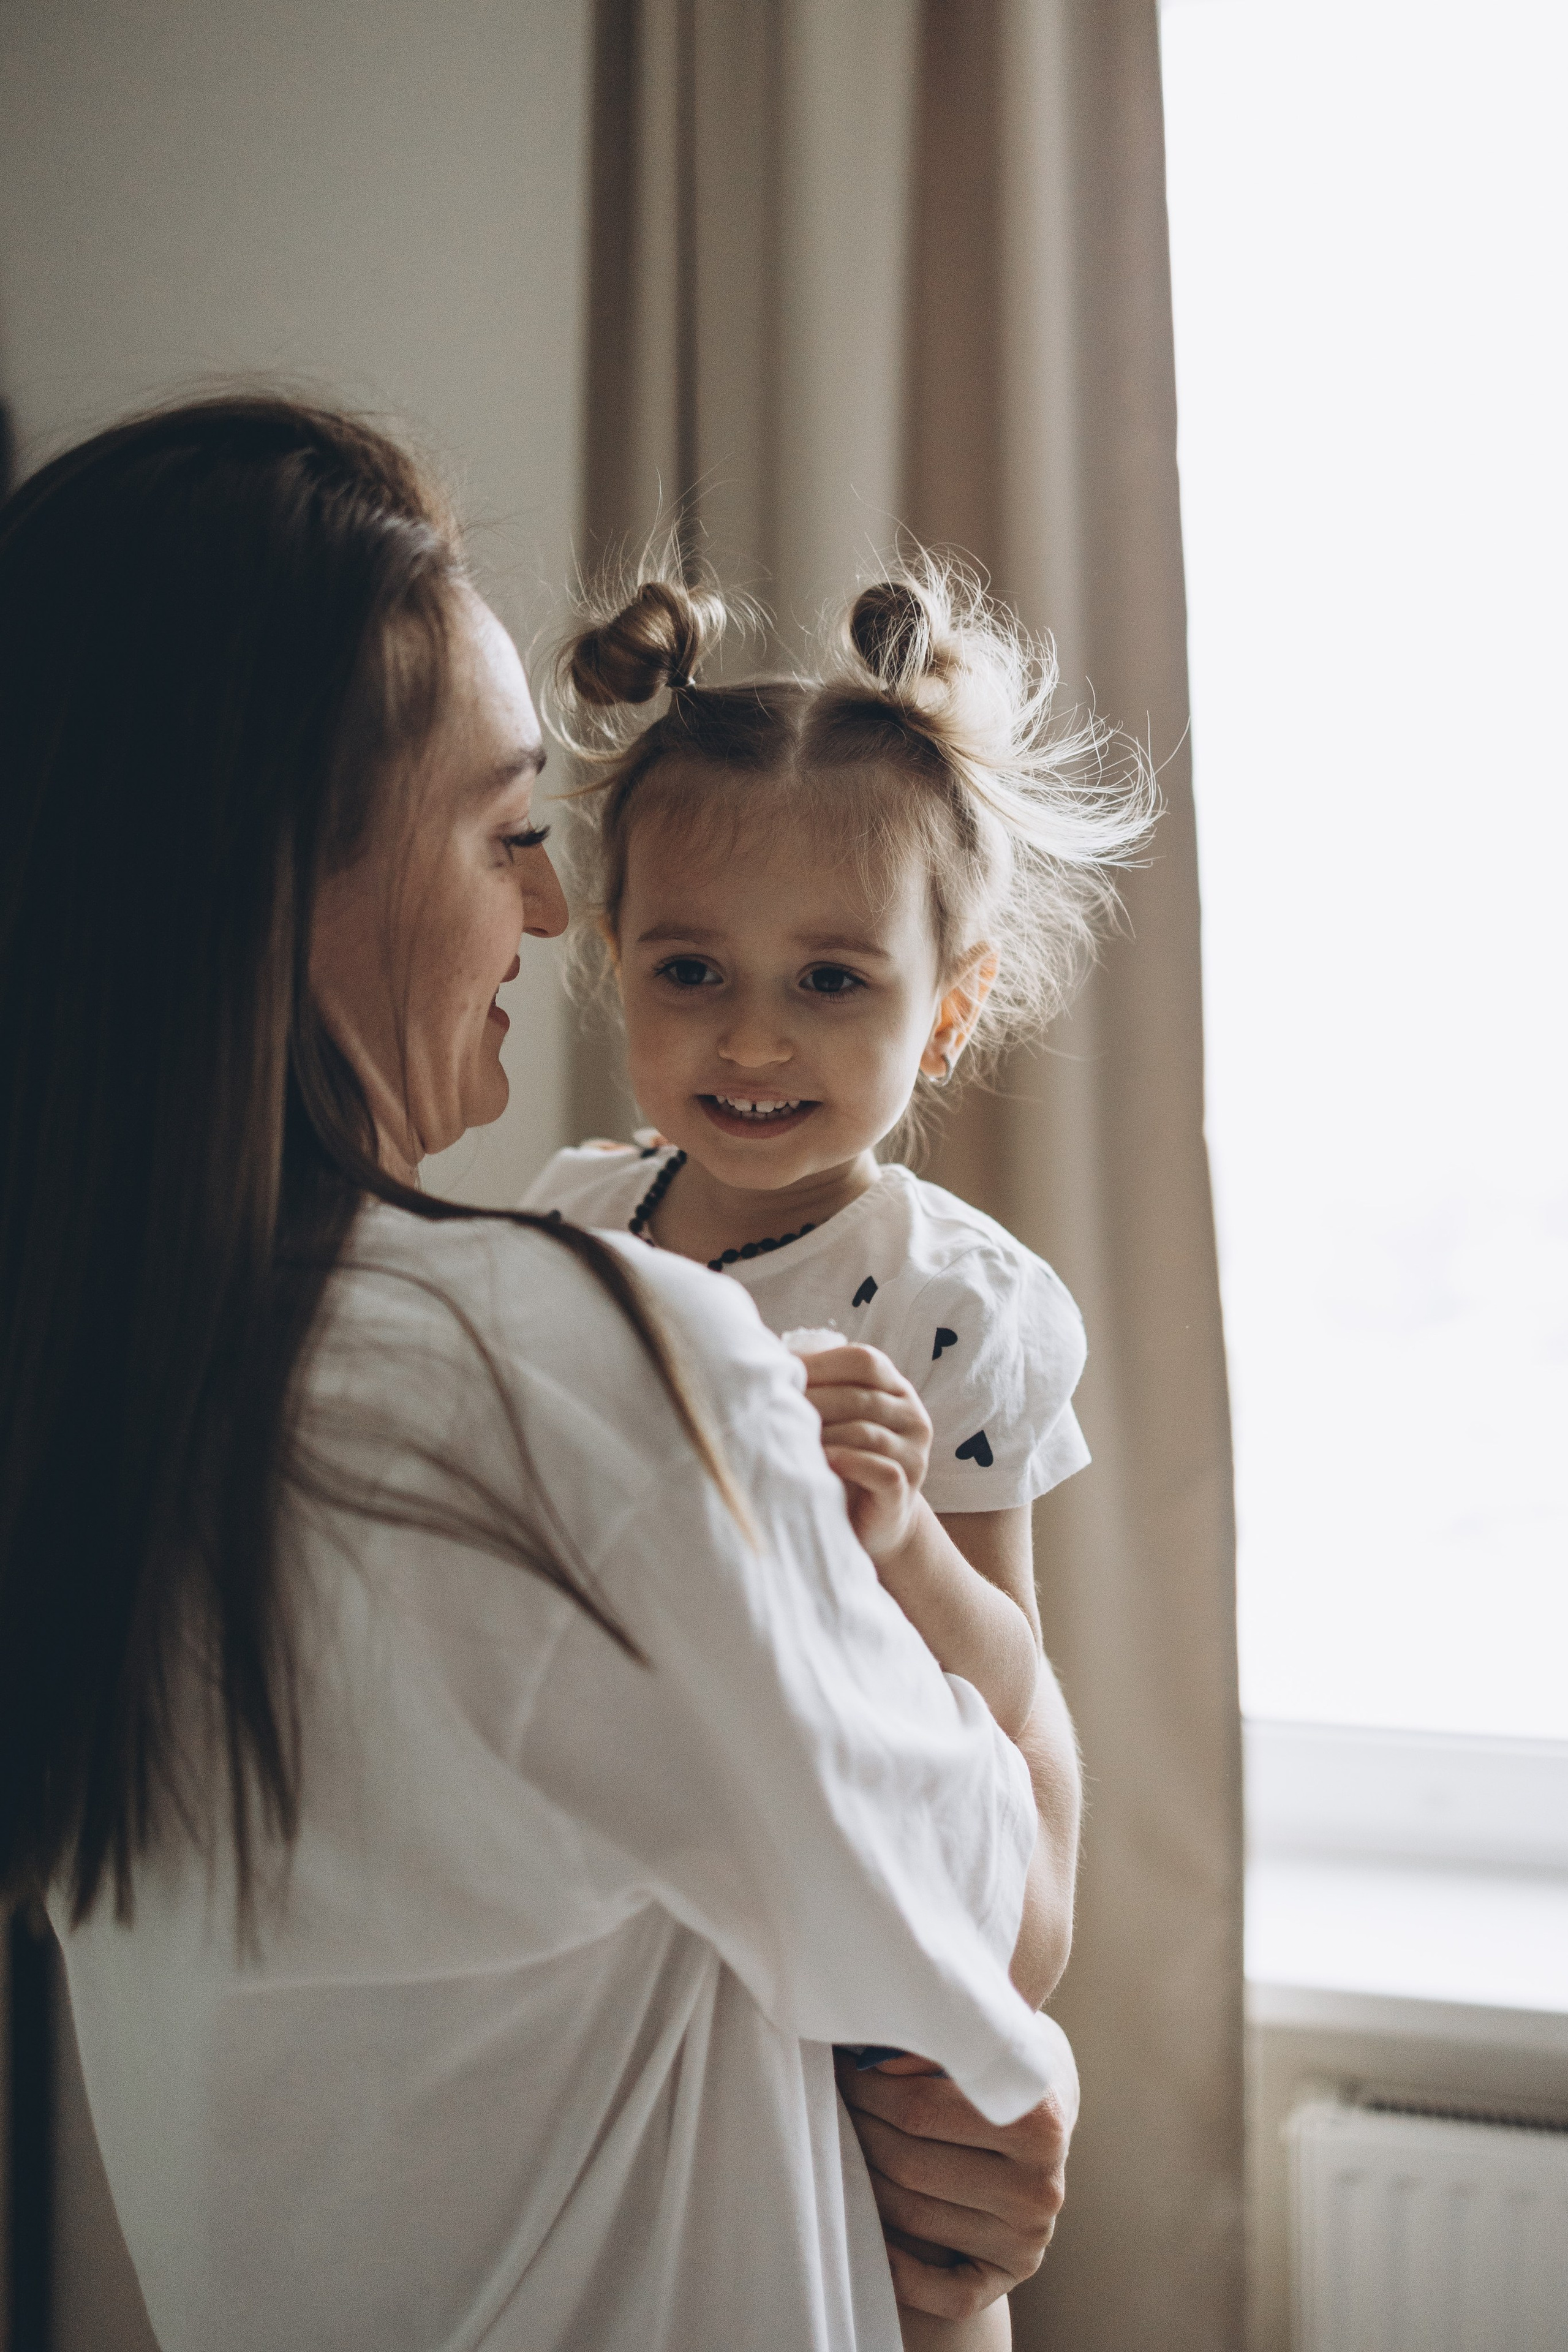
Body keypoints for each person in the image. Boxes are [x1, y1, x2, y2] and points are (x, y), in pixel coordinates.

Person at [0, 397, 1077, 2352]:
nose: (557, 911)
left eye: (834, 976)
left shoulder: (96, 1381)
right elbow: (985, 1916)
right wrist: (1002, 2117)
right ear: (280, 876)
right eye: (510, 831)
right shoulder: (573, 1366)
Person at [521, 559, 1153, 2346]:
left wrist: (902, 1541)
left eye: (829, 980)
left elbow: (1012, 1688)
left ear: (947, 1009)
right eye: (692, 970)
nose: (751, 1038)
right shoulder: (572, 1220)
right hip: (648, 1916)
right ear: (614, 961)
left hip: (873, 1940)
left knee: (907, 2287)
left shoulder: (956, 1302)